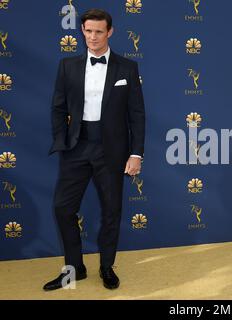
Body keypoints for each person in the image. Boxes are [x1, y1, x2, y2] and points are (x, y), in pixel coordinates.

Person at [43, 8, 145, 290]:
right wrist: (62, 141)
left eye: (99, 31)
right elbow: (57, 107)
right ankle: (75, 268)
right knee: (63, 208)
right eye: (88, 31)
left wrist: (136, 153)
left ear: (109, 32)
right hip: (77, 146)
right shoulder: (68, 66)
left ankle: (106, 267)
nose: (93, 37)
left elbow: (137, 114)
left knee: (112, 210)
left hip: (112, 150)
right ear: (83, 31)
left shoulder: (127, 68)